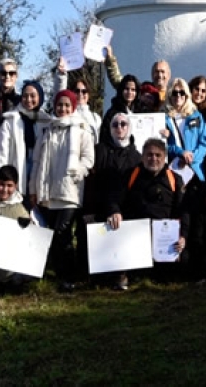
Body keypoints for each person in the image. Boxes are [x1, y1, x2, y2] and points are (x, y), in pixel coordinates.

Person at [29, 90, 94, 291]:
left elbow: (88, 158)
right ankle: (58, 273)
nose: (63, 109)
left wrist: (79, 171)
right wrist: (33, 188)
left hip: (69, 192)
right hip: (48, 191)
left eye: (67, 105)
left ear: (73, 107)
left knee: (63, 233)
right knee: (52, 235)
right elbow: (37, 161)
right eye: (60, 105)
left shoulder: (81, 129)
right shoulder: (47, 130)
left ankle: (69, 276)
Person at [106, 138, 187, 280]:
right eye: (149, 155)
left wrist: (183, 237)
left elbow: (183, 210)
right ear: (142, 156)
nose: (153, 159)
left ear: (164, 157)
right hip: (135, 238)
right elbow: (114, 198)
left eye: (158, 155)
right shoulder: (130, 175)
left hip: (165, 239)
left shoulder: (175, 179)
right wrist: (115, 212)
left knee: (182, 267)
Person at [83, 112, 141, 290]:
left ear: (129, 128)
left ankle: (122, 275)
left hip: (127, 208)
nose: (119, 128)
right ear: (109, 129)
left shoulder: (137, 156)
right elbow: (92, 181)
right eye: (115, 124)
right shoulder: (99, 150)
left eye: (123, 124)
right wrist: (89, 209)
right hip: (102, 203)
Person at [0, 79, 48, 200]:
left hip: (38, 168)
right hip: (18, 167)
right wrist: (2, 180)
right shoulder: (11, 120)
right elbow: (1, 153)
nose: (28, 100)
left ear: (40, 98)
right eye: (25, 96)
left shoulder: (46, 122)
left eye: (33, 96)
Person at [163, 78, 206, 181]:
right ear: (170, 95)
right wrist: (180, 153)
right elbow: (162, 146)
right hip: (173, 168)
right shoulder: (163, 118)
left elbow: (204, 143)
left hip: (195, 169)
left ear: (187, 95)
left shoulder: (196, 116)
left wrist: (191, 158)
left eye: (181, 92)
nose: (178, 96)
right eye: (174, 93)